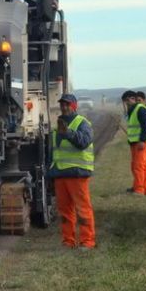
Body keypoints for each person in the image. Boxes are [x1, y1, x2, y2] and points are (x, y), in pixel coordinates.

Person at [50, 93, 96, 249]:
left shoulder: (82, 123)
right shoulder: (58, 124)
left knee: (83, 209)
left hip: (77, 173)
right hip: (61, 174)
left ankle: (87, 241)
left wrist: (68, 133)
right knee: (64, 211)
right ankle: (68, 241)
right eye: (62, 104)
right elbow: (56, 151)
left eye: (67, 104)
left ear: (74, 106)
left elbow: (83, 142)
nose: (64, 107)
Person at [123, 90, 146, 194]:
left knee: (139, 166)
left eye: (128, 100)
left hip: (141, 143)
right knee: (135, 166)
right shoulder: (133, 110)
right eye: (125, 101)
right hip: (134, 142)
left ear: (133, 98)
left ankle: (140, 189)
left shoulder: (141, 109)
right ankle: (139, 186)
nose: (126, 103)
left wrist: (142, 140)